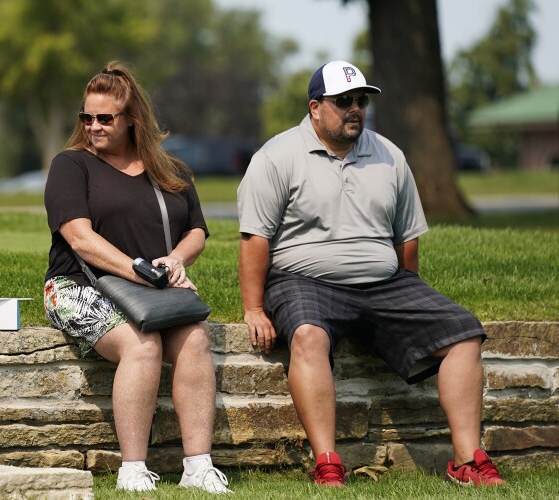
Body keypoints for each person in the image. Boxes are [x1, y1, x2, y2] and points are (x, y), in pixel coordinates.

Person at [237, 61, 505, 487]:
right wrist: (254, 307)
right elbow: (255, 240)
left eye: (361, 100)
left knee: (464, 332)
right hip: (303, 280)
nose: (355, 109)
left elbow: (407, 237)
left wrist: (405, 295)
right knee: (308, 335)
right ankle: (327, 462)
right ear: (314, 107)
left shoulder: (389, 155)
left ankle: (467, 460)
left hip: (386, 283)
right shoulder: (275, 157)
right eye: (343, 101)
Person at [43, 62, 231, 494]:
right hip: (79, 286)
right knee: (141, 344)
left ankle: (198, 466)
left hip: (152, 288)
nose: (93, 126)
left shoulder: (172, 170)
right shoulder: (71, 165)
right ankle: (132, 469)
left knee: (196, 339)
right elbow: (79, 238)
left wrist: (176, 260)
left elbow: (197, 231)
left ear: (132, 120)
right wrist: (138, 271)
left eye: (104, 118)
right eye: (86, 117)